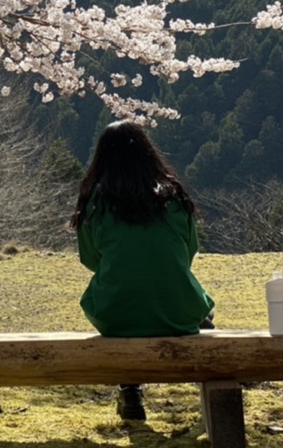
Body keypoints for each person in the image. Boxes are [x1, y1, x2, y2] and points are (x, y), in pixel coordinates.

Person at [70, 121, 215, 422]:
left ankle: (130, 389)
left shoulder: (96, 204)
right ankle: (208, 386)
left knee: (124, 300)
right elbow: (187, 253)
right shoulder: (174, 197)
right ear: (149, 153)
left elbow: (91, 259)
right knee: (197, 306)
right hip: (178, 312)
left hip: (115, 313)